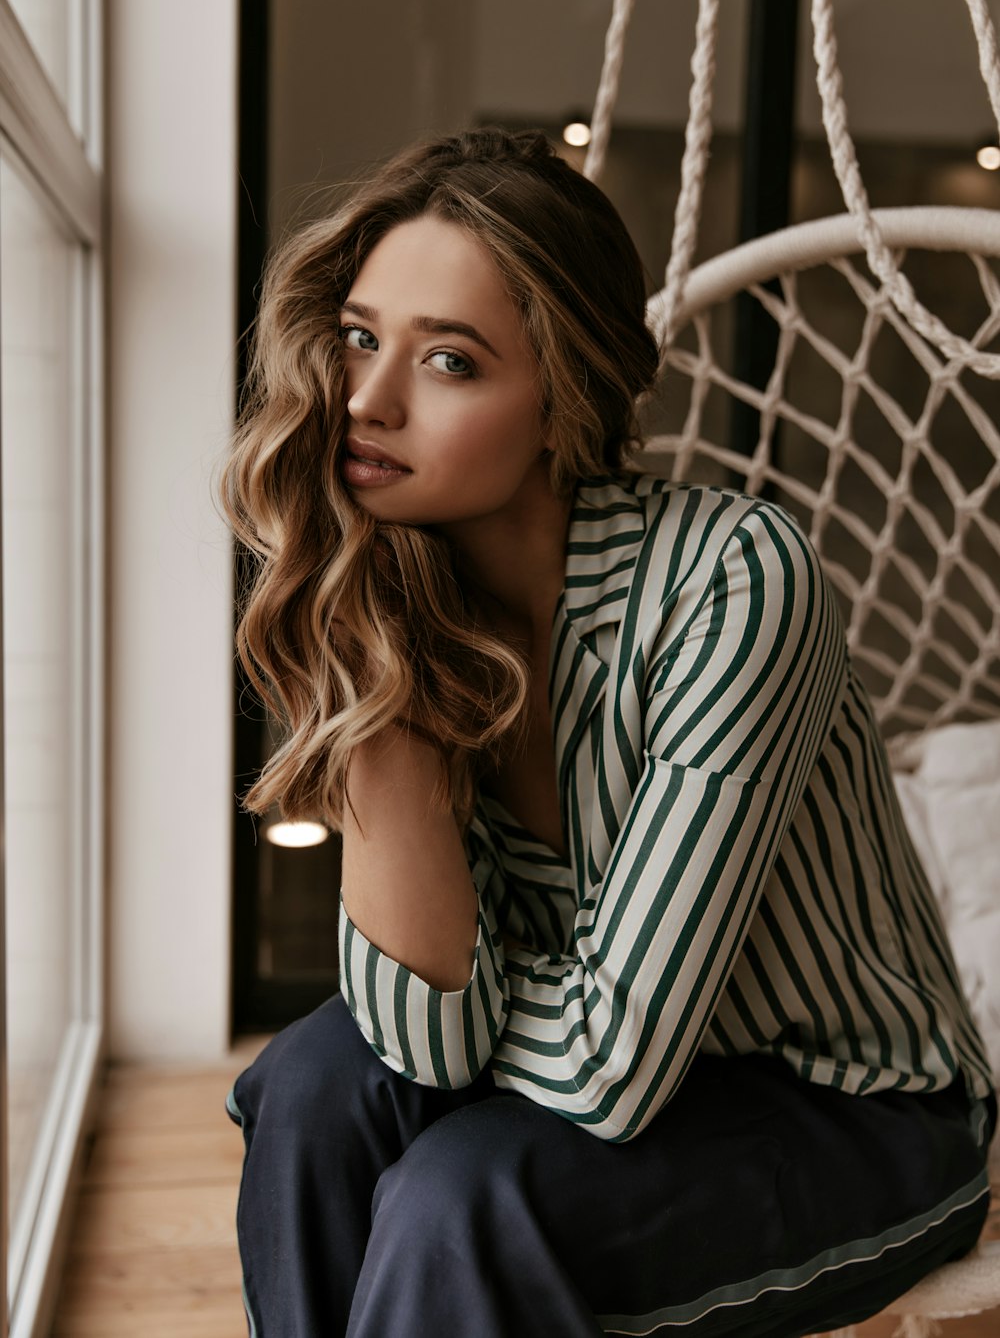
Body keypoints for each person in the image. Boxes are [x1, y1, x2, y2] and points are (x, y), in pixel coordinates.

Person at [220, 128, 996, 1338]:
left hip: (850, 1109)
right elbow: (424, 1040)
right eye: (363, 338)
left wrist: (509, 1013)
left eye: (452, 363)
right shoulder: (403, 599)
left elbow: (613, 1067)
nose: (365, 400)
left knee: (461, 1199)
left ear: (562, 398)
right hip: (600, 1060)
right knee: (316, 1089)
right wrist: (370, 674)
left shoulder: (733, 579)